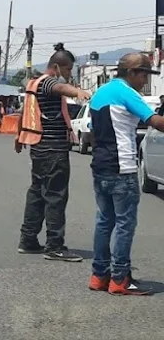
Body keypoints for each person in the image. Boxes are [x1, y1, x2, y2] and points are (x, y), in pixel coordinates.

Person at [88, 52, 164, 295]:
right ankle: (120, 279)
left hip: (100, 167)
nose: (145, 80)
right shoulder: (126, 93)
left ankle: (99, 276)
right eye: (144, 74)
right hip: (123, 168)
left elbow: (93, 131)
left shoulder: (100, 93)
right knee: (124, 224)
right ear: (131, 72)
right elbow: (155, 121)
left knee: (104, 222)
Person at [16, 43, 91, 262]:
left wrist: (19, 137)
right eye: (67, 70)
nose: (68, 76)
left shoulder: (34, 83)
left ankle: (28, 240)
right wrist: (77, 91)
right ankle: (55, 246)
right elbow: (59, 88)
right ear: (57, 67)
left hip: (39, 147)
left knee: (37, 194)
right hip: (52, 149)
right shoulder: (49, 82)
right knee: (56, 196)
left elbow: (25, 113)